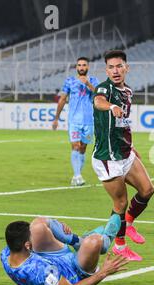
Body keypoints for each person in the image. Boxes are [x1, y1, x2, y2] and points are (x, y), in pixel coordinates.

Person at [92, 50, 154, 261]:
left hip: (125, 152)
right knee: (120, 203)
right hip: (107, 157)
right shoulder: (104, 89)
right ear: (106, 70)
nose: (115, 70)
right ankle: (119, 246)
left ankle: (128, 224)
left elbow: (124, 123)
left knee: (147, 190)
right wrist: (111, 106)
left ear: (126, 68)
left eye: (119, 66)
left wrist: (132, 144)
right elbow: (98, 101)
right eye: (111, 67)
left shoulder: (127, 91)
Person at [0, 215, 129, 285]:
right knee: (94, 242)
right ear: (27, 245)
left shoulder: (6, 254)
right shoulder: (41, 272)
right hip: (75, 272)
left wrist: (58, 227)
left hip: (52, 258)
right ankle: (102, 241)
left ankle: (77, 241)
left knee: (37, 225)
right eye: (31, 237)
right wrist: (104, 272)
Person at [52, 57, 99, 187]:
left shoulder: (94, 81)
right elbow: (62, 99)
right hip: (74, 121)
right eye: (79, 65)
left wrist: (88, 84)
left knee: (83, 148)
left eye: (84, 65)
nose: (81, 67)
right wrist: (56, 118)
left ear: (88, 67)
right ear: (76, 67)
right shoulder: (70, 81)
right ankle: (78, 176)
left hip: (89, 121)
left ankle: (76, 175)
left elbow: (100, 96)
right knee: (76, 146)